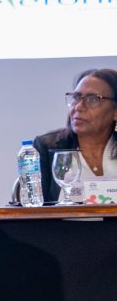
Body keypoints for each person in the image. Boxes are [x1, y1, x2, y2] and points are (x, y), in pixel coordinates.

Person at [34, 68, 117, 202]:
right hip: (63, 217)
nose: (78, 106)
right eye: (76, 97)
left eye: (92, 99)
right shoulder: (47, 148)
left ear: (115, 111)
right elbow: (35, 207)